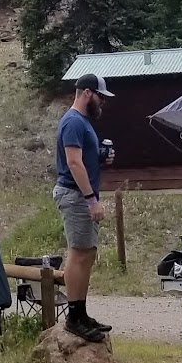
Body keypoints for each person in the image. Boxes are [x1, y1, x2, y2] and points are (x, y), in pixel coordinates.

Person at [53, 73, 115, 343]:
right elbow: (73, 163)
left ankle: (81, 313)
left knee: (87, 253)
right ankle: (74, 317)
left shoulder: (82, 122)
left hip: (81, 195)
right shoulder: (73, 122)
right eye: (101, 96)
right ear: (87, 93)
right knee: (78, 254)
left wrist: (100, 156)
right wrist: (91, 199)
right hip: (76, 195)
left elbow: (84, 159)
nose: (103, 102)